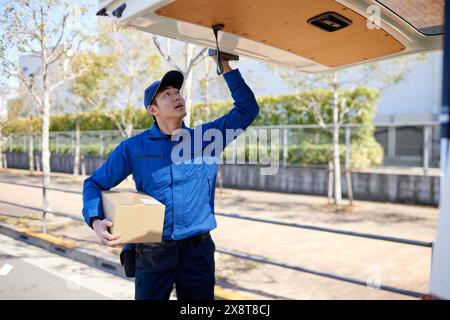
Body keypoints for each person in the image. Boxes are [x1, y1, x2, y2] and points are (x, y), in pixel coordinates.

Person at [82, 57, 260, 300]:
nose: (177, 96)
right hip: (153, 252)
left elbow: (247, 109)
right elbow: (94, 183)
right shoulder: (133, 147)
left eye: (177, 91)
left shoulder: (207, 138)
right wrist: (95, 220)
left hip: (198, 253)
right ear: (152, 110)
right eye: (166, 94)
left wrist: (225, 66)